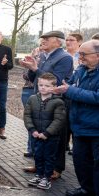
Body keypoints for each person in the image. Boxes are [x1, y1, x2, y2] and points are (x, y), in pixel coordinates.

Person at [53, 40, 99, 196]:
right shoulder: (80, 70)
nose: (80, 58)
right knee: (81, 160)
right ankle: (87, 188)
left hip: (96, 128)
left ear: (98, 56)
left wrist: (70, 91)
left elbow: (97, 97)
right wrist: (62, 89)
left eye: (84, 55)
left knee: (98, 163)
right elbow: (70, 85)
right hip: (79, 125)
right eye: (80, 54)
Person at [20, 30, 73, 179]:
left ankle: (56, 169)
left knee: (55, 135)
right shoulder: (43, 55)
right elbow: (33, 77)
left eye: (46, 39)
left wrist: (36, 68)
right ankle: (39, 165)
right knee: (38, 131)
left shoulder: (65, 58)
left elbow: (55, 80)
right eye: (42, 39)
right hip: (39, 99)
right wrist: (30, 67)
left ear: (58, 41)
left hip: (55, 101)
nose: (42, 41)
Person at [23, 73, 66, 190]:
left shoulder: (58, 102)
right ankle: (39, 175)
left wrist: (47, 133)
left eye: (47, 86)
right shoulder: (32, 99)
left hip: (50, 137)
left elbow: (58, 120)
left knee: (49, 157)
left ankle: (46, 178)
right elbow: (27, 115)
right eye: (41, 85)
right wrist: (32, 130)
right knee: (37, 156)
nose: (43, 88)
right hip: (36, 135)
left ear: (53, 87)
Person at [22, 41, 42, 157]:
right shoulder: (31, 60)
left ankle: (37, 149)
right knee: (30, 119)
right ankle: (30, 148)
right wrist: (31, 66)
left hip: (41, 92)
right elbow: (25, 76)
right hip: (28, 90)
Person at [64, 32, 83, 155]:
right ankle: (65, 144)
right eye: (67, 39)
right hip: (65, 93)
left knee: (76, 121)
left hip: (78, 94)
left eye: (72, 40)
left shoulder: (82, 57)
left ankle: (76, 147)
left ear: (79, 42)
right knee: (64, 121)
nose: (68, 42)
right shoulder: (63, 55)